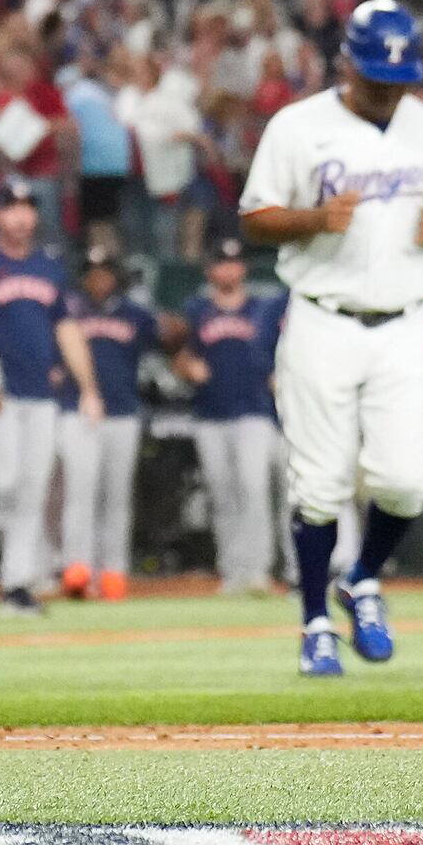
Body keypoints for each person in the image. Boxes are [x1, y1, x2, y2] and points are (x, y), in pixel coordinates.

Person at [238, 0, 423, 678]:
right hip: (322, 315)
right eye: (375, 75)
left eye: (398, 77)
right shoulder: (298, 126)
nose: (387, 88)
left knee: (405, 482)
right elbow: (254, 218)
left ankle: (362, 576)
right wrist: (311, 219)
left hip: (404, 318)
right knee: (317, 486)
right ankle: (315, 623)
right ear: (345, 61)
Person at [0, 179, 101, 615]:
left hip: (40, 392)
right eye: (11, 208)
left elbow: (67, 329)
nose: (20, 216)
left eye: (27, 208)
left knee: (32, 489)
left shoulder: (49, 267)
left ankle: (16, 583)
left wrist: (89, 388)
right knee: (0, 480)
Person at [174, 237, 288, 596]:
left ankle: (258, 568)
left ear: (243, 268)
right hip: (210, 412)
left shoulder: (261, 309)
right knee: (223, 494)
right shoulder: (196, 309)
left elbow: (280, 350)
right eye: (221, 263)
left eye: (234, 262)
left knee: (254, 489)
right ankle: (232, 568)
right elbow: (178, 355)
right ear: (210, 269)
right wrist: (187, 366)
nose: (228, 269)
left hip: (255, 410)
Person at [60, 244, 156, 600]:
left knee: (116, 496)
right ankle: (77, 568)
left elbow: (164, 340)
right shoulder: (68, 310)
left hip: (122, 410)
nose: (99, 278)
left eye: (105, 272)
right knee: (80, 491)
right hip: (77, 409)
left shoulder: (134, 314)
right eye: (93, 272)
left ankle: (113, 571)